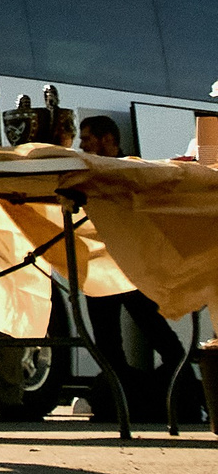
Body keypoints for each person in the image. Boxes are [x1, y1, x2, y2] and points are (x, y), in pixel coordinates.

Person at [77, 115, 190, 422]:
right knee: (108, 341)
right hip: (101, 267)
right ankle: (123, 401)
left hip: (131, 267)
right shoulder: (89, 172)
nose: (81, 144)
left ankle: (181, 395)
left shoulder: (130, 169)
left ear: (107, 139)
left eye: (86, 138)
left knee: (157, 331)